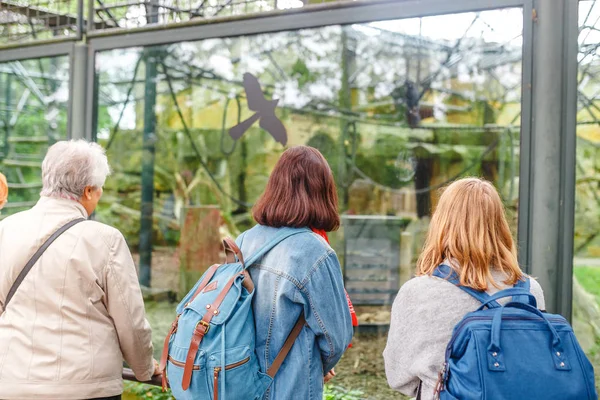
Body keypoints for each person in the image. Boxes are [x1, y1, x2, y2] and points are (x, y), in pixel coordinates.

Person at [0, 140, 159, 400]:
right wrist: (145, 369)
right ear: (87, 191)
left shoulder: (6, 229)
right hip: (85, 388)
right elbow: (131, 322)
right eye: (99, 190)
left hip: (12, 384)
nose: (99, 196)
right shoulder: (105, 239)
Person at [383, 177, 545, 400]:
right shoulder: (529, 290)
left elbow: (398, 376)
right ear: (499, 223)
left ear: (442, 222)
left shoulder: (417, 292)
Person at [236, 145, 354, 400]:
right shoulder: (315, 251)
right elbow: (336, 338)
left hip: (240, 383)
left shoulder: (244, 241)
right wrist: (316, 364)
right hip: (291, 387)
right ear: (323, 192)